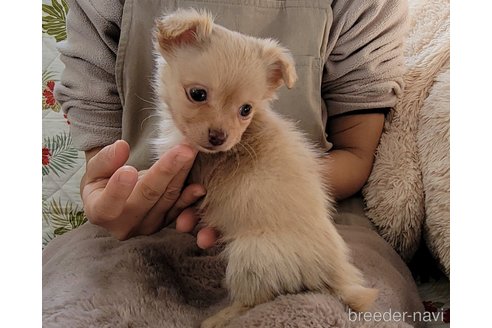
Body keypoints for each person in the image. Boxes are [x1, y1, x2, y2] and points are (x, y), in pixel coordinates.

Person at [55, 0, 407, 248]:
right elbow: (94, 117)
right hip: (134, 222)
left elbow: (357, 152)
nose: (219, 130)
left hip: (308, 215)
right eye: (197, 94)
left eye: (243, 111)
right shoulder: (174, 31)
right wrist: (109, 194)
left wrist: (252, 198)